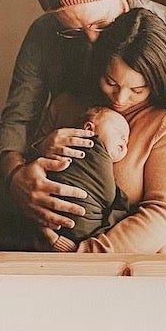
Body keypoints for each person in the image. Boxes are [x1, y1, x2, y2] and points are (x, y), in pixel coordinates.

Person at [0, 0, 166, 246]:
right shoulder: (45, 38)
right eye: (74, 32)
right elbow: (17, 121)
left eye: (102, 25)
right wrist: (18, 178)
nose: (92, 42)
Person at [33, 8, 166, 254]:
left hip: (132, 278)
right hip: (40, 263)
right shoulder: (66, 106)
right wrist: (39, 151)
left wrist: (82, 255)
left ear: (157, 82)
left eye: (138, 89)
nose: (120, 98)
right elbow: (29, 187)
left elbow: (163, 216)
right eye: (111, 82)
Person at [47, 107, 131, 251]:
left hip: (64, 230)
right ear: (88, 129)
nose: (124, 139)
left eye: (127, 139)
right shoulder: (93, 149)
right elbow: (108, 196)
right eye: (119, 132)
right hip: (74, 226)